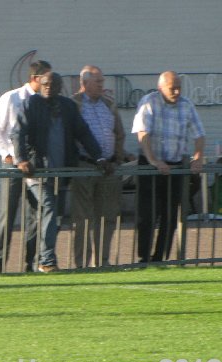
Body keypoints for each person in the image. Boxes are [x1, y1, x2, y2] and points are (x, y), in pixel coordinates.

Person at [11, 72, 104, 272]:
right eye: (45, 84)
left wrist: (99, 156)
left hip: (62, 172)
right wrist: (22, 160)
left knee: (55, 217)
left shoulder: (68, 106)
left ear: (60, 86)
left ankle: (35, 261)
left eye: (53, 85)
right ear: (39, 83)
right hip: (38, 172)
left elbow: (83, 132)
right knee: (49, 210)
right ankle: (47, 260)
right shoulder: (30, 104)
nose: (48, 88)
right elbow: (17, 133)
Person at [0, 60, 51, 273]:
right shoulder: (11, 98)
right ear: (35, 78)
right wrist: (6, 153)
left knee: (35, 215)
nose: (48, 84)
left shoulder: (44, 102)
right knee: (7, 213)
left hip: (35, 167)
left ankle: (30, 263)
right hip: (13, 165)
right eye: (45, 79)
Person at [131, 70, 205, 263]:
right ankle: (144, 258)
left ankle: (160, 257)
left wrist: (198, 156)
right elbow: (142, 133)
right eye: (173, 88)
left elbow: (199, 134)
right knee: (147, 215)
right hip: (149, 165)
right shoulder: (149, 102)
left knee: (171, 216)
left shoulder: (186, 105)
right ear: (160, 87)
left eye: (179, 88)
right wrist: (153, 160)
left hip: (175, 166)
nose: (177, 92)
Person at [70, 65, 126, 268]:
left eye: (103, 81)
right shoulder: (74, 104)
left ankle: (102, 261)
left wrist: (118, 159)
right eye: (98, 82)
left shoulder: (108, 104)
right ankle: (82, 263)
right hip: (85, 166)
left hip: (109, 168)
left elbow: (119, 133)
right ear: (84, 84)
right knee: (83, 219)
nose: (103, 85)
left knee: (108, 216)